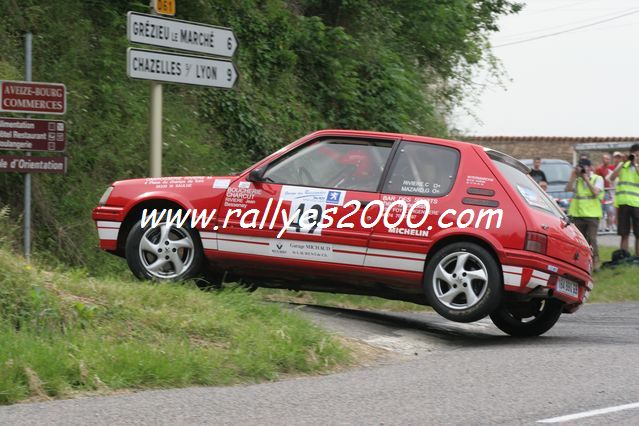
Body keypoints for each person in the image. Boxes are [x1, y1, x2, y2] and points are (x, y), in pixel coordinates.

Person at [565, 158, 604, 267]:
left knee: (592, 239)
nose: (582, 169)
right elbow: (567, 189)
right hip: (578, 215)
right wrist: (573, 175)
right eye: (580, 166)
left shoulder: (597, 178)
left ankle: (596, 262)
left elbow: (596, 192)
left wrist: (586, 178)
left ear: (590, 167)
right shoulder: (577, 180)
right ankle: (582, 263)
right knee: (580, 241)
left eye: (584, 166)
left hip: (592, 215)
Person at [609, 144, 639, 256]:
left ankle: (637, 258)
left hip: (637, 204)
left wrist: (635, 163)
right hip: (623, 203)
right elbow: (612, 178)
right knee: (624, 233)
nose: (637, 157)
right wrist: (622, 163)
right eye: (635, 155)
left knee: (638, 234)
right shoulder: (623, 166)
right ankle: (624, 257)